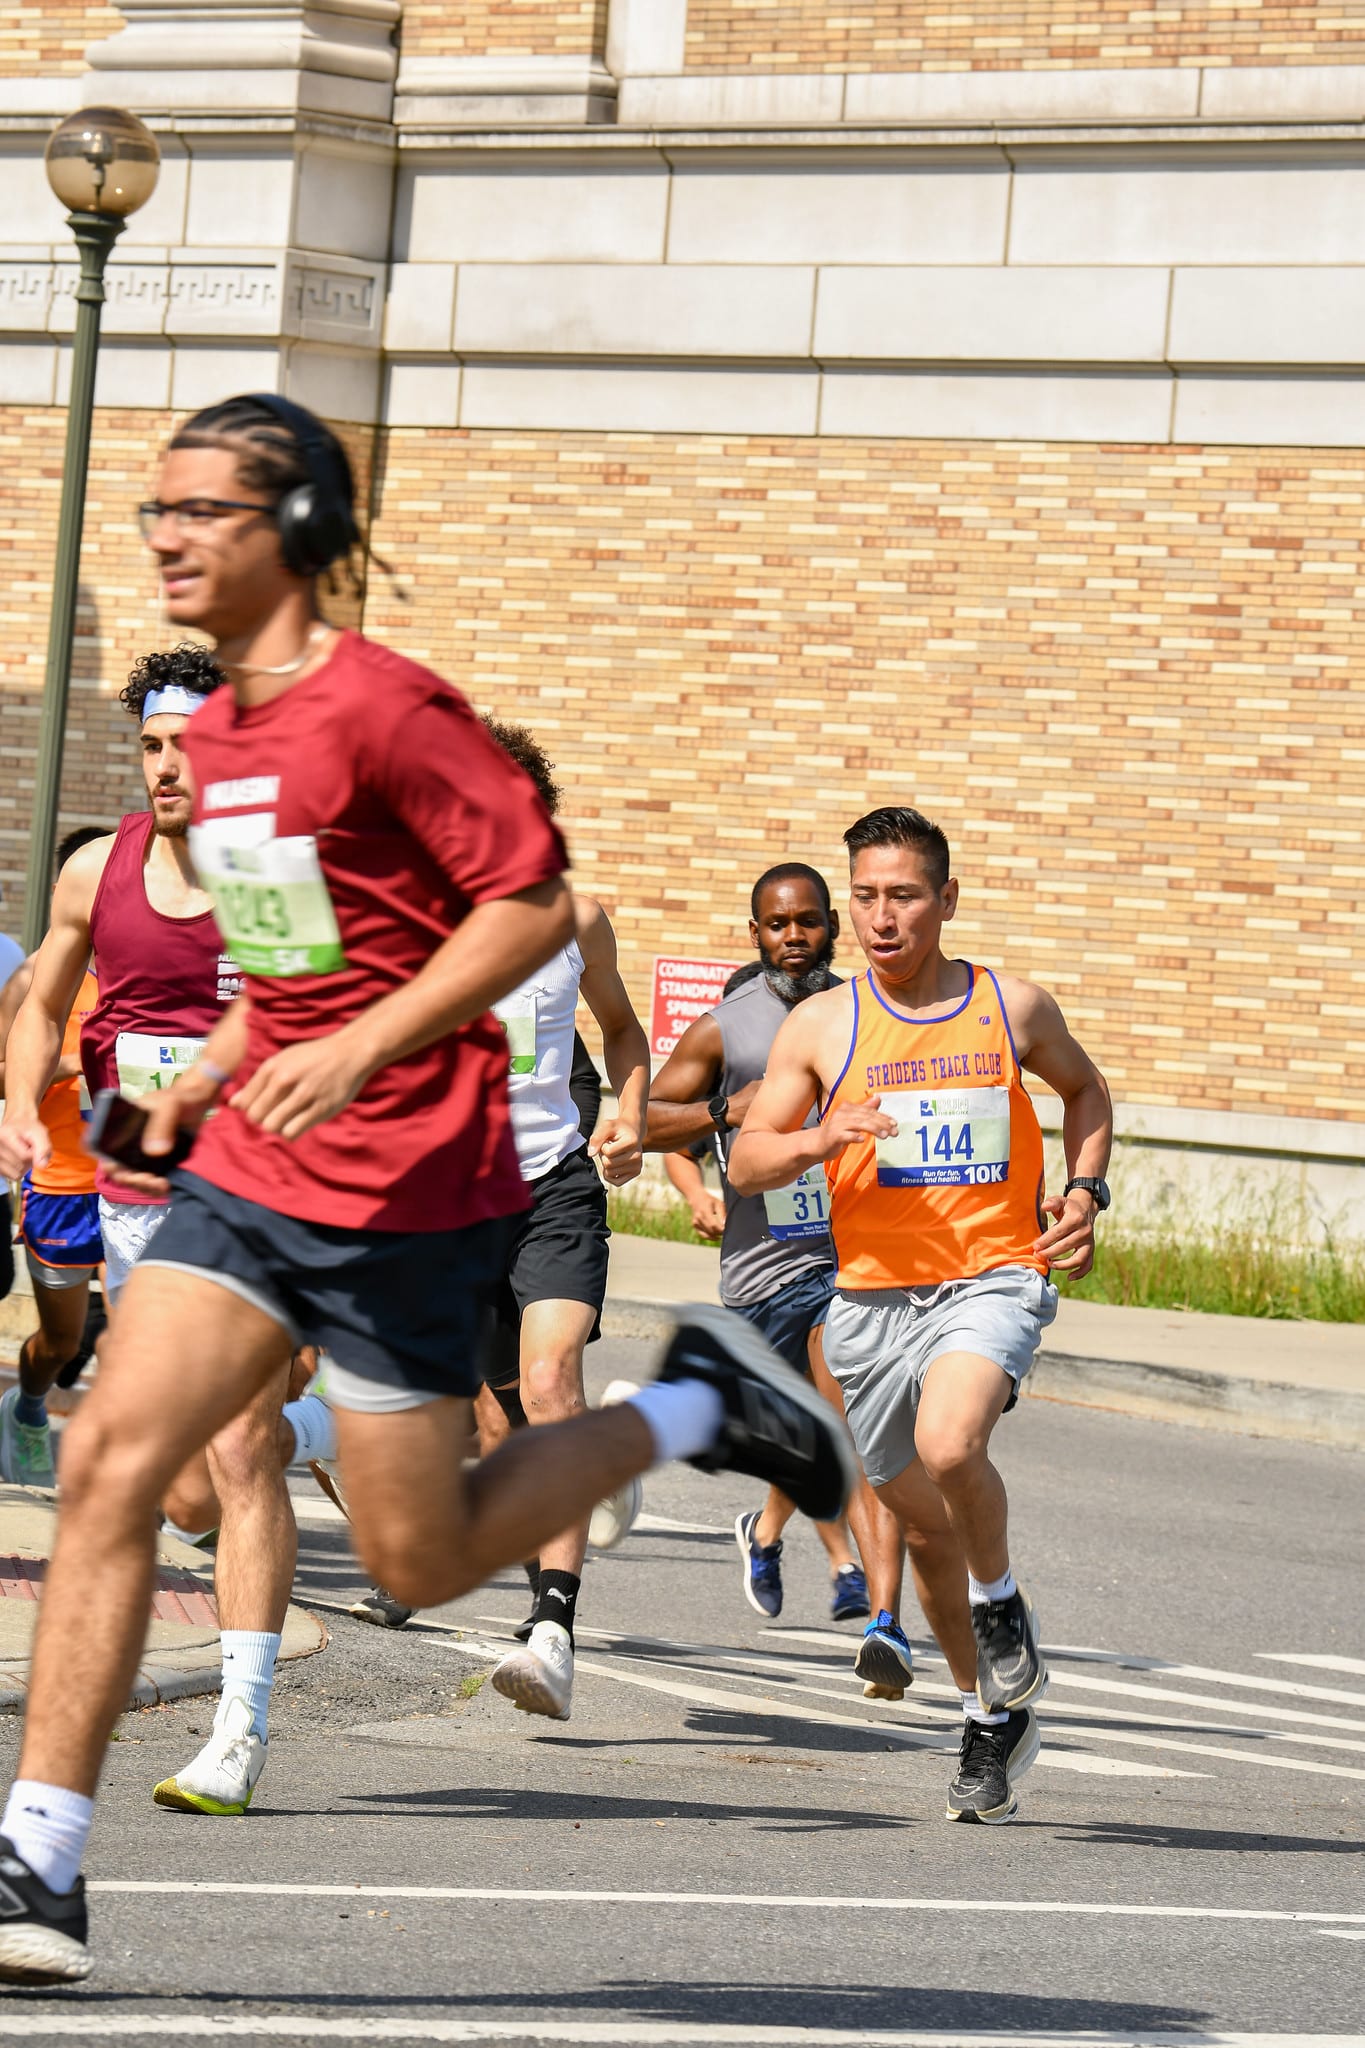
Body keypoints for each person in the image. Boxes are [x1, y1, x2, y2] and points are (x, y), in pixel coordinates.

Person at [0, 392, 853, 1985]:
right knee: (114, 1448)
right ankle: (40, 1863)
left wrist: (365, 1044)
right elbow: (288, 964)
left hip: (407, 1178)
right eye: (156, 514)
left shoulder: (395, 714)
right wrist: (216, 1066)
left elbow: (530, 907)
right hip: (254, 1168)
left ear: (299, 536)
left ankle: (696, 1411)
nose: (170, 537)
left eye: (206, 513)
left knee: (416, 1554)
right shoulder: (236, 743)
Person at [0, 642, 337, 1821]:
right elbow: (42, 1000)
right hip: (135, 1207)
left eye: (188, 744)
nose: (166, 766)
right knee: (187, 1492)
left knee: (236, 1455)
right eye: (148, 744)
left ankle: (239, 1726)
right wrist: (16, 1108)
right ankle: (326, 1417)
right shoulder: (98, 872)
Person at [730, 805, 1114, 1823]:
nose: (881, 916)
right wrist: (820, 1137)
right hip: (869, 1302)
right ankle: (988, 1712)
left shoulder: (1010, 1006)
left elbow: (1087, 1092)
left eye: (904, 894)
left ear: (947, 898)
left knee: (953, 1444)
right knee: (923, 1533)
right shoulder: (822, 1024)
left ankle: (1003, 1602)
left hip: (991, 1274)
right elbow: (749, 1157)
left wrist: (1084, 1191)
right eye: (865, 895)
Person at [648, 872, 918, 1677]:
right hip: (762, 1267)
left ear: (832, 925)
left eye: (806, 921)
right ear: (756, 933)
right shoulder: (725, 1028)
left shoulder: (865, 1013)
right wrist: (725, 1112)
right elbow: (648, 1122)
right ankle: (763, 1530)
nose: (792, 936)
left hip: (852, 1259)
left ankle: (882, 1617)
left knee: (859, 1429)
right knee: (800, 1435)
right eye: (776, 924)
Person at [459, 718, 652, 1724]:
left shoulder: (576, 918)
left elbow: (621, 1030)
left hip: (554, 1186)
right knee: (502, 1417)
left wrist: (625, 1110)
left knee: (548, 1377)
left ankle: (554, 1625)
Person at [0, 828, 109, 1484]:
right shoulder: (35, 976)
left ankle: (153, 1485)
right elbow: (4, 1074)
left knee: (139, 1342)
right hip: (62, 1181)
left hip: (143, 1181)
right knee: (61, 1343)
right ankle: (29, 1405)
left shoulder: (159, 967)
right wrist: (85, 1059)